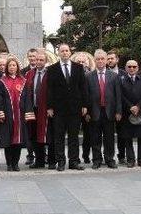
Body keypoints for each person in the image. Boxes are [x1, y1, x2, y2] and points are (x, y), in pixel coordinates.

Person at [46, 43, 88, 171]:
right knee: (59, 136)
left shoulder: (78, 68)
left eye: (66, 50)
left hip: (75, 109)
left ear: (70, 53)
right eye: (62, 51)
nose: (64, 53)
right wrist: (50, 107)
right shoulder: (52, 69)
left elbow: (83, 88)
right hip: (58, 109)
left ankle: (73, 161)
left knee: (73, 136)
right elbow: (50, 90)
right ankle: (61, 161)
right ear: (58, 53)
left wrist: (85, 105)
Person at [85, 49, 122, 169]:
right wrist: (87, 112)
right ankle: (96, 159)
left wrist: (118, 111)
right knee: (95, 137)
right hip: (94, 111)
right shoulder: (88, 76)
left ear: (106, 60)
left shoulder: (114, 76)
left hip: (109, 111)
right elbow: (86, 95)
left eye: (102, 59)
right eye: (98, 59)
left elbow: (118, 95)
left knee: (109, 137)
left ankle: (109, 159)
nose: (100, 61)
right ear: (94, 60)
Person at [23, 49, 54, 169]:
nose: (39, 62)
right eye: (37, 60)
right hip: (34, 109)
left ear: (45, 61)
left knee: (49, 136)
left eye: (41, 60)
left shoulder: (50, 73)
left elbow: (53, 92)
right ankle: (39, 161)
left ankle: (51, 161)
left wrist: (51, 107)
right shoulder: (29, 74)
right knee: (35, 136)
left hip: (46, 110)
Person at [119, 60, 141, 168]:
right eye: (129, 67)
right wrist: (130, 107)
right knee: (128, 137)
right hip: (127, 112)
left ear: (138, 68)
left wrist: (138, 106)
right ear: (126, 68)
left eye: (134, 66)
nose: (132, 68)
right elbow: (121, 96)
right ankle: (130, 160)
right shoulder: (121, 81)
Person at [0, 56, 27, 171]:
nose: (12, 67)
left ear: (17, 67)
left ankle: (15, 163)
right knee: (8, 139)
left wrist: (27, 113)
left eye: (14, 65)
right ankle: (9, 163)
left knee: (18, 140)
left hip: (20, 115)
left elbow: (27, 99)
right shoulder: (2, 81)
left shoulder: (23, 81)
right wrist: (0, 112)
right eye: (10, 65)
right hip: (8, 114)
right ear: (7, 67)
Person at [107, 50, 128, 164]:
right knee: (108, 134)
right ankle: (108, 156)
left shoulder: (124, 74)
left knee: (122, 134)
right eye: (108, 58)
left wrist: (120, 109)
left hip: (121, 109)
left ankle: (121, 155)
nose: (110, 60)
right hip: (107, 109)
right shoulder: (103, 73)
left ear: (117, 59)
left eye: (112, 58)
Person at [73, 52, 93, 163]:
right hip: (74, 109)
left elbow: (91, 94)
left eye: (83, 61)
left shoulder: (91, 74)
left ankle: (86, 156)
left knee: (88, 135)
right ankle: (75, 157)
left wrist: (88, 110)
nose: (81, 64)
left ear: (88, 62)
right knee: (74, 134)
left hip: (87, 110)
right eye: (78, 62)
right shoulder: (71, 74)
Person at [21, 48, 38, 165]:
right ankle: (30, 154)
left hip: (39, 106)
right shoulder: (22, 72)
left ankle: (42, 154)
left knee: (40, 131)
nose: (32, 58)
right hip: (28, 106)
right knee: (29, 132)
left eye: (34, 56)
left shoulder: (43, 70)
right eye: (30, 56)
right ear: (27, 57)